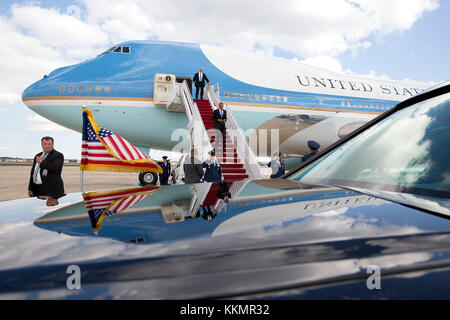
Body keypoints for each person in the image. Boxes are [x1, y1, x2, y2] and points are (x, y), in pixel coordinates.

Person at [28, 136, 65, 206]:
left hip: (52, 189)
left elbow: (55, 167)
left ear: (53, 145)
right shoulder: (38, 155)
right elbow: (33, 172)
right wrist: (30, 188)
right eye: (45, 144)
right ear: (41, 145)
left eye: (49, 144)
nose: (47, 146)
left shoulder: (58, 155)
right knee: (37, 209)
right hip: (37, 189)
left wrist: (41, 161)